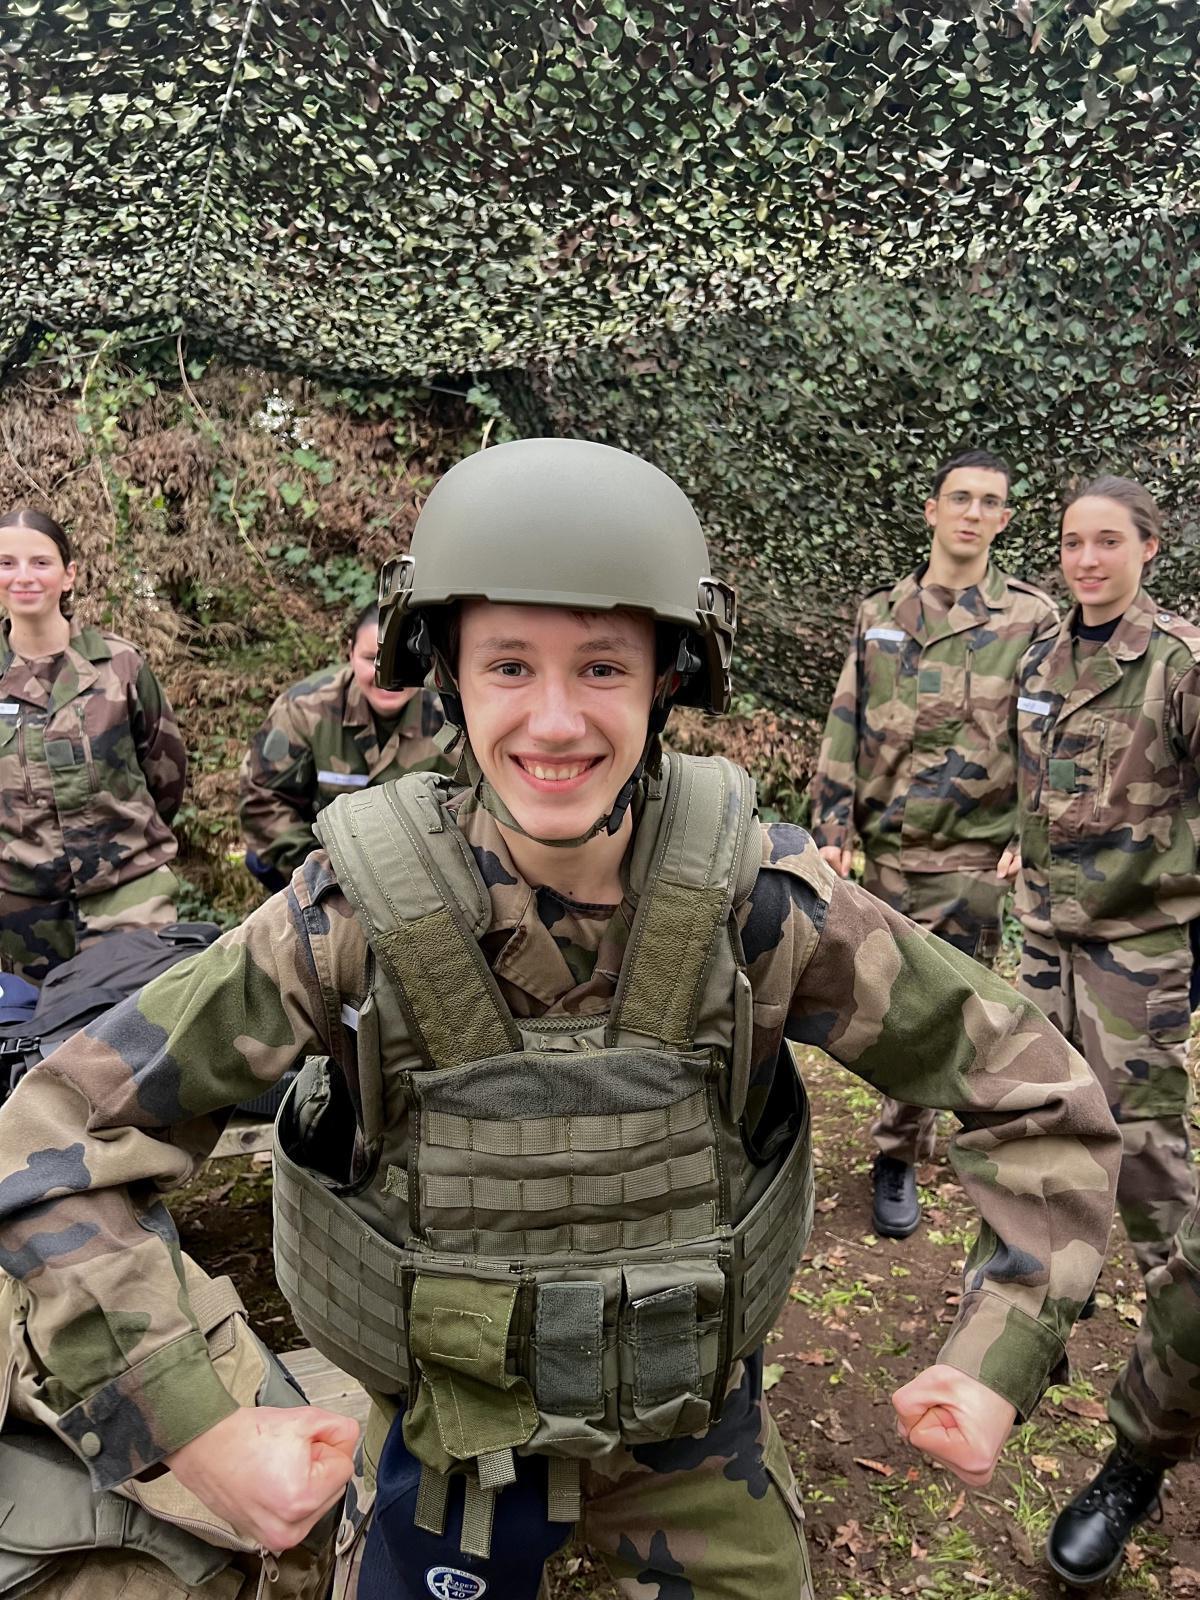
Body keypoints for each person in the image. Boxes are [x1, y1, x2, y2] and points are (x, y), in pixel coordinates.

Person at [0, 441, 1119, 1600]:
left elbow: (1033, 1090)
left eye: (601, 668)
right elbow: (53, 1140)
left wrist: (998, 1350)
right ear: (448, 674)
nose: (554, 719)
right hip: (447, 1447)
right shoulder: (352, 919)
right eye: (508, 665)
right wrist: (195, 1424)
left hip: (698, 1447)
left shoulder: (755, 904)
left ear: (667, 679)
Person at [995, 476, 1200, 1586]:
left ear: (1149, 549)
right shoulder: (1041, 656)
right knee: (1033, 1132)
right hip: (1044, 943)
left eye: (1107, 540)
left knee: (1156, 1184)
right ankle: (1032, 1324)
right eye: (1073, 540)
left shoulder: (1178, 662)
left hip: (1138, 957)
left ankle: (1149, 1441)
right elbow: (1040, 785)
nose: (1085, 558)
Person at [810, 448, 1059, 1239]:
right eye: (960, 498)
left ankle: (899, 1152)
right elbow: (846, 719)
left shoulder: (1031, 619)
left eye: (989, 502)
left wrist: (1032, 829)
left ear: (1004, 519)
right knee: (879, 1004)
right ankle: (904, 1135)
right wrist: (830, 827)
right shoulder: (882, 612)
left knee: (947, 1009)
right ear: (932, 509)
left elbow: (1044, 734)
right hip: (885, 848)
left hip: (970, 853)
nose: (973, 513)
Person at [0, 506, 186, 984]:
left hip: (127, 890)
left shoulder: (121, 666)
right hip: (20, 911)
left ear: (69, 575)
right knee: (35, 1030)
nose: (24, 576)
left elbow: (165, 774)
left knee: (135, 1022)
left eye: (41, 562)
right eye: (7, 563)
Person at [239, 601, 450, 890]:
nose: (387, 676)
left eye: (404, 660)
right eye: (371, 658)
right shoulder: (305, 708)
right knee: (259, 858)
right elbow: (262, 798)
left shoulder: (453, 714)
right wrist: (327, 877)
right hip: (325, 865)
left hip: (420, 870)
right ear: (350, 653)